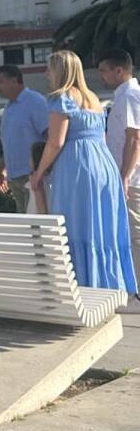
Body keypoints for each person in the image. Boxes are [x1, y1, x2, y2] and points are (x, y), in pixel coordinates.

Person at [30, 50, 136, 293]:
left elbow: (55, 142)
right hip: (104, 165)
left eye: (49, 69)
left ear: (60, 71)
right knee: (101, 225)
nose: (46, 74)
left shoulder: (61, 98)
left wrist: (39, 172)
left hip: (76, 166)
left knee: (74, 225)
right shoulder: (94, 99)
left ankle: (82, 285)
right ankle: (107, 285)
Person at [97, 47, 140, 305]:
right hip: (128, 179)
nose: (101, 75)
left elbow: (134, 139)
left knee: (135, 235)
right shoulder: (124, 96)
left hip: (132, 181)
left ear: (119, 70)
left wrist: (124, 176)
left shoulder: (129, 96)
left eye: (104, 70)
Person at [0, 64, 48, 213]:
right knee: (24, 221)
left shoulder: (35, 101)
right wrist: (4, 171)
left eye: (0, 81)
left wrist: (41, 170)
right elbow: (10, 143)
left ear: (14, 80)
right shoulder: (8, 109)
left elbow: (49, 136)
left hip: (33, 176)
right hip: (14, 177)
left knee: (36, 220)